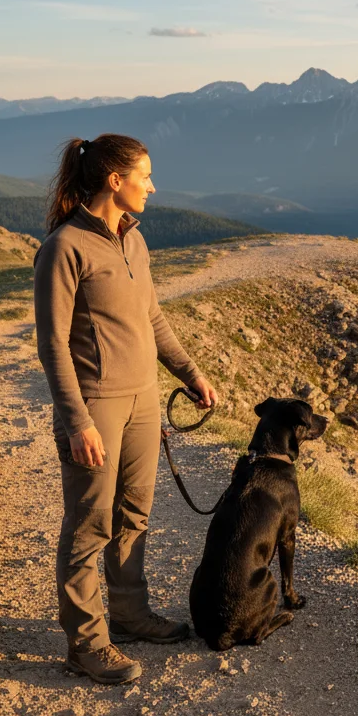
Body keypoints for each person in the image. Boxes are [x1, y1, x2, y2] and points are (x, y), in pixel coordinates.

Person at [32, 133, 218, 684]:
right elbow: (52, 346)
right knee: (89, 523)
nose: (153, 186)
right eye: (146, 176)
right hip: (97, 406)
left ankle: (131, 616)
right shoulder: (64, 248)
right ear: (116, 181)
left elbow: (152, 318)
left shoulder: (132, 240)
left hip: (143, 402)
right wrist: (78, 421)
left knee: (133, 513)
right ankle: (86, 644)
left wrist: (191, 372)